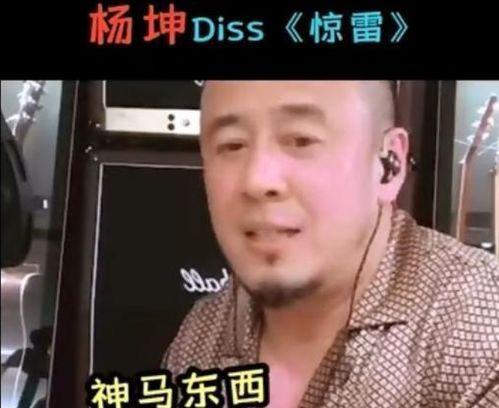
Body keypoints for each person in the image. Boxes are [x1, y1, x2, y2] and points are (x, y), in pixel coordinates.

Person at [161, 81, 499, 407]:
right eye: (232, 145)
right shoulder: (204, 332)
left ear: (389, 165)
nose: (257, 180)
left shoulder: (477, 327)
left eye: (301, 140)